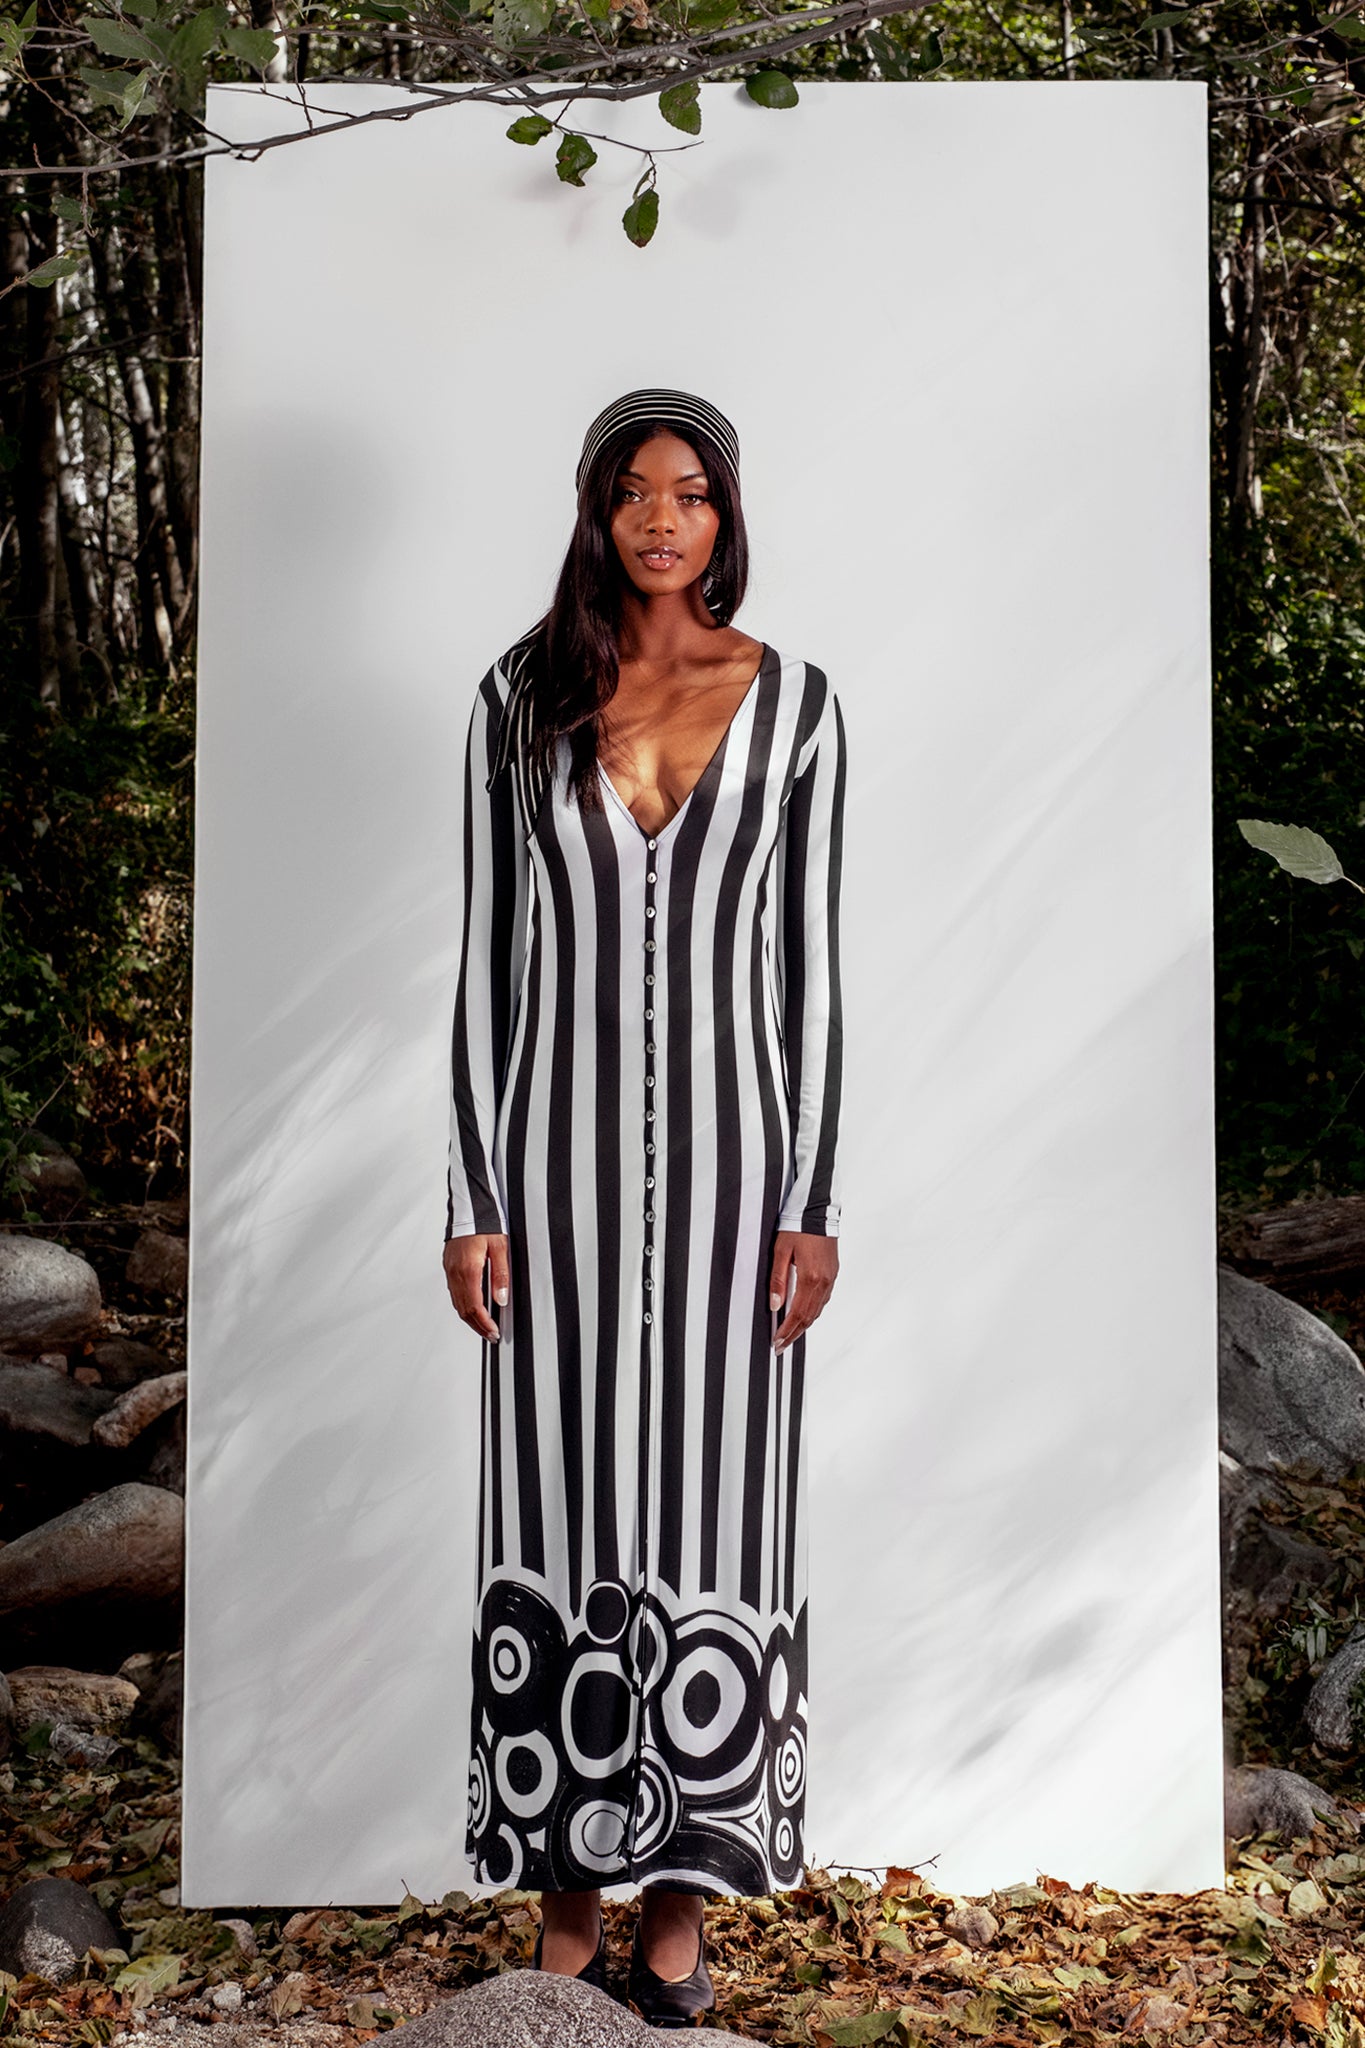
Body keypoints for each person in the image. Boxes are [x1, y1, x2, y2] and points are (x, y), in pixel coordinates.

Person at [442, 388, 847, 2026]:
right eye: (632, 491)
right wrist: (471, 1190)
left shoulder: (797, 704)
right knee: (559, 1499)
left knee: (718, 1506)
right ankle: (567, 1889)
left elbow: (809, 971)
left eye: (689, 491)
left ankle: (679, 1900)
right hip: (552, 1170)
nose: (661, 517)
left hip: (741, 1173)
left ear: (725, 514)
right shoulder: (521, 695)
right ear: (596, 513)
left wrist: (814, 1199)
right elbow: (486, 963)